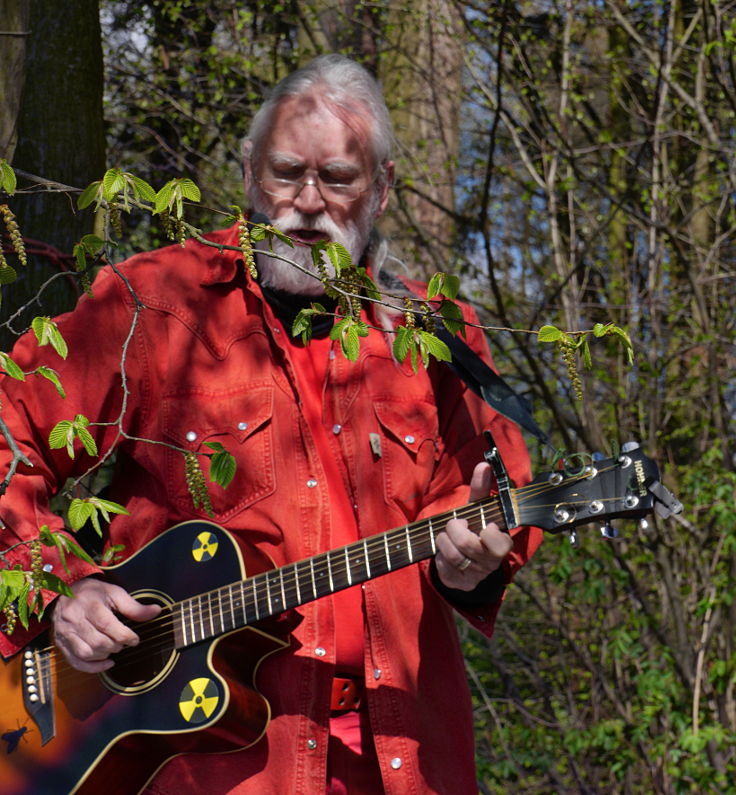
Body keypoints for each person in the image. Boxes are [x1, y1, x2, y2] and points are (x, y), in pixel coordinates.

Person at [0, 55, 542, 793]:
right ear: (253, 174)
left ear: (381, 188)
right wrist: (63, 589)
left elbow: (492, 508)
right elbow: (8, 433)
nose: (309, 203)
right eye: (288, 173)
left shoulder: (436, 335)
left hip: (402, 758)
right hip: (206, 764)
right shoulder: (158, 303)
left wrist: (472, 564)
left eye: (339, 179)